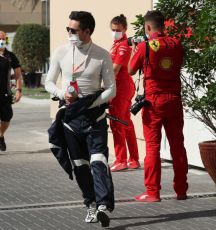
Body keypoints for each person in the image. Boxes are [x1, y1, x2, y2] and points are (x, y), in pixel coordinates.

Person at [45, 11, 116, 227]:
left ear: (87, 31)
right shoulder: (61, 52)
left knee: (98, 161)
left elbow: (112, 89)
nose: (69, 33)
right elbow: (48, 82)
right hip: (70, 119)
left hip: (95, 118)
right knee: (80, 165)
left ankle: (103, 205)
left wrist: (88, 103)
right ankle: (91, 204)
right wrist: (62, 95)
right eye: (68, 29)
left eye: (73, 30)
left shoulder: (102, 54)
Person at [128, 10, 188, 202]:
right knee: (178, 146)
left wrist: (135, 50)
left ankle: (152, 192)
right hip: (174, 99)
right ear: (164, 25)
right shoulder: (176, 43)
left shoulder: (145, 46)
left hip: (154, 101)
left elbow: (130, 70)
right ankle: (181, 190)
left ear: (147, 27)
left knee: (153, 147)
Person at [109, 14, 140, 172]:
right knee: (126, 123)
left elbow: (114, 69)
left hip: (120, 89)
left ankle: (121, 160)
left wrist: (103, 87)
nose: (115, 32)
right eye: (113, 29)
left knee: (116, 124)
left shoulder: (122, 46)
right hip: (122, 87)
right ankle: (133, 159)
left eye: (118, 30)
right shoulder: (117, 43)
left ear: (125, 29)